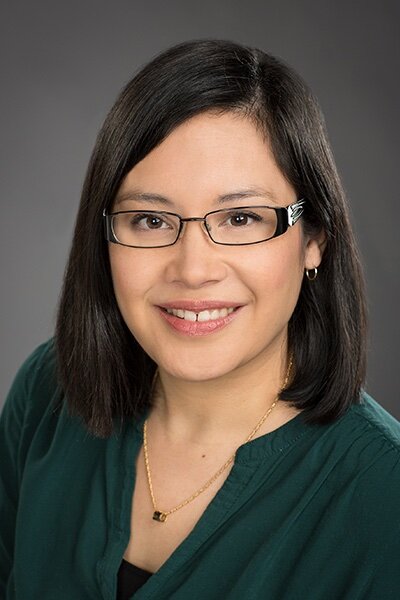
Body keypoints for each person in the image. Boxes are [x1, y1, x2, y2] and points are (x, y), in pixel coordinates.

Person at [1, 39, 399, 600]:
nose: (192, 269)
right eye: (149, 219)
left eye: (240, 217)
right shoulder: (48, 391)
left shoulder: (385, 498)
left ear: (315, 240)